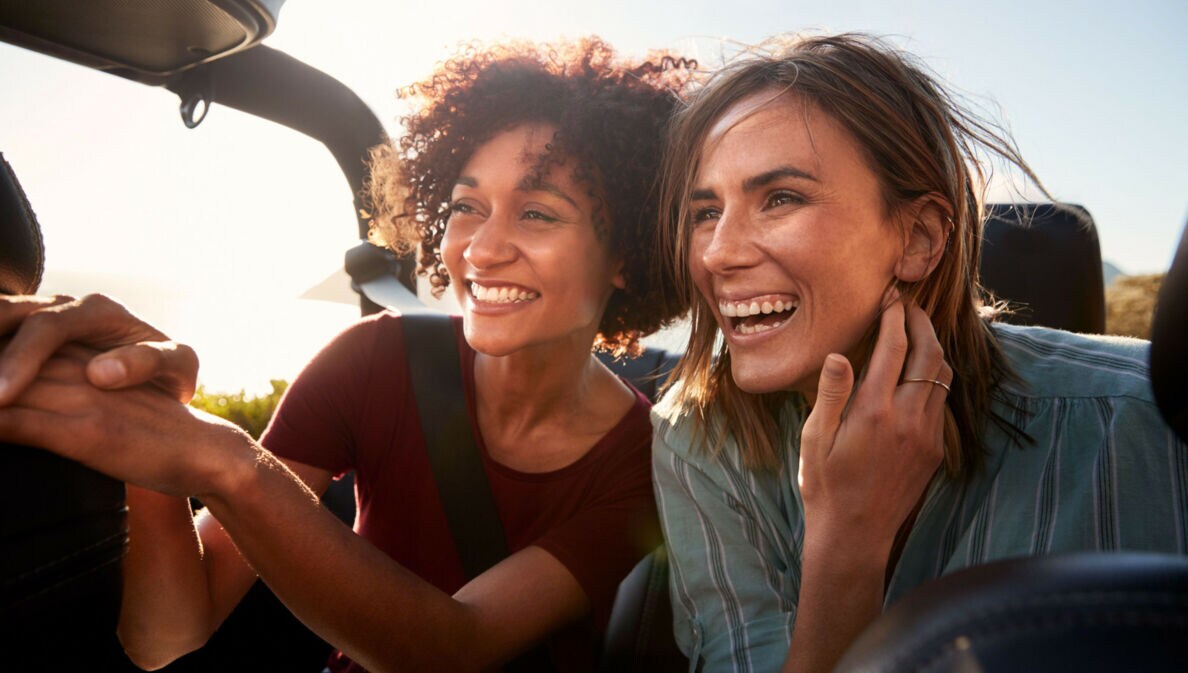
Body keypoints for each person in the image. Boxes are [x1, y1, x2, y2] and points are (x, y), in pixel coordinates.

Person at [0, 37, 693, 673]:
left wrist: (229, 461)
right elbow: (166, 637)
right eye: (465, 207)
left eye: (537, 213)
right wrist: (154, 447)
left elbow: (459, 648)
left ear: (626, 256)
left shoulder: (646, 460)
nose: (480, 250)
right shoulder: (375, 358)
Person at [649, 32, 1187, 673]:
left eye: (781, 198)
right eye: (705, 211)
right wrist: (848, 545)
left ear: (919, 238)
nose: (718, 253)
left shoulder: (1148, 422)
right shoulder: (698, 439)